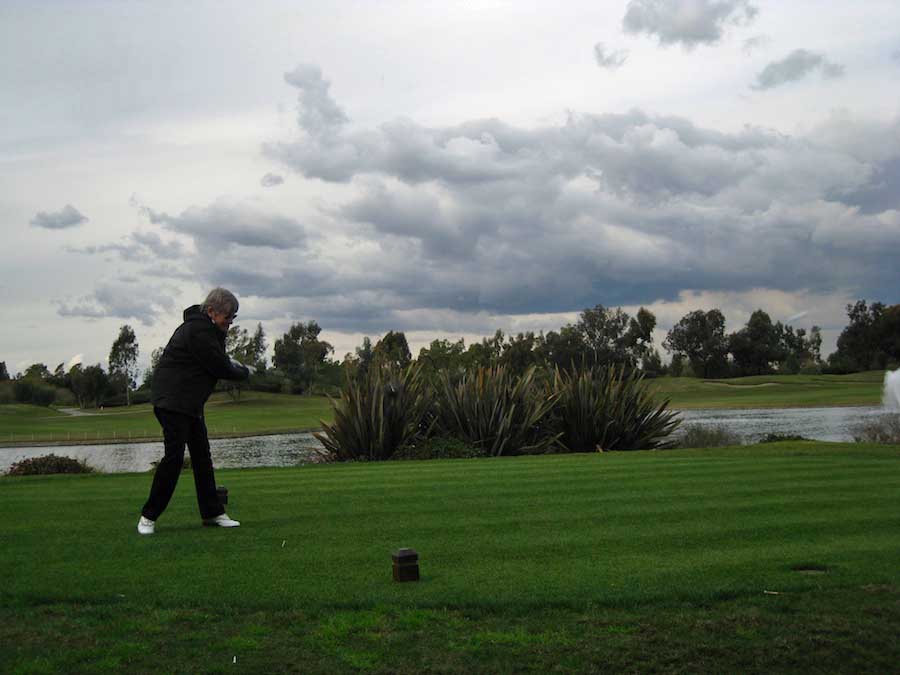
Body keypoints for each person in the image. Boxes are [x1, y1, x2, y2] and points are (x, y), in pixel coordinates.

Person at [137, 288, 251, 535]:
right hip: (172, 402)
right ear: (211, 311)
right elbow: (220, 366)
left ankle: (213, 513)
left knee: (202, 457)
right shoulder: (198, 331)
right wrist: (245, 372)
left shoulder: (208, 331)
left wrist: (234, 363)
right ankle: (148, 516)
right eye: (228, 316)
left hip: (190, 403)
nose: (230, 321)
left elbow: (218, 360)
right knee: (174, 458)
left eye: (233, 317)